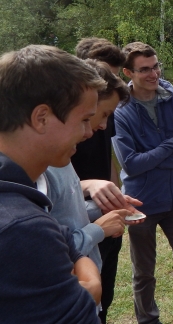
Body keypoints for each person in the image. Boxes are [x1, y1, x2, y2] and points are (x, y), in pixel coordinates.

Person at [0, 45, 105, 323]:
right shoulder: (22, 229)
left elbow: (64, 239)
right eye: (84, 120)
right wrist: (91, 288)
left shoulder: (19, 193)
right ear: (41, 117)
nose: (88, 132)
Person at [39, 60, 142, 316]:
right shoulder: (42, 167)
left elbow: (66, 212)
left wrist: (101, 204)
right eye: (98, 115)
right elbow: (51, 248)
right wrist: (98, 229)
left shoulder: (61, 157)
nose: (97, 128)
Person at [113, 42, 173, 324]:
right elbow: (131, 164)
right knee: (144, 273)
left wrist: (153, 157)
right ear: (128, 71)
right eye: (145, 70)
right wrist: (169, 145)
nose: (154, 74)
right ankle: (148, 321)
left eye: (156, 66)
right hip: (141, 204)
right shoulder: (120, 110)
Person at [72, 38, 129, 324]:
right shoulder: (64, 136)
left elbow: (109, 158)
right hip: (80, 224)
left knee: (104, 297)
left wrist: (114, 194)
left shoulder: (105, 115)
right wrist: (88, 186)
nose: (109, 83)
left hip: (103, 219)